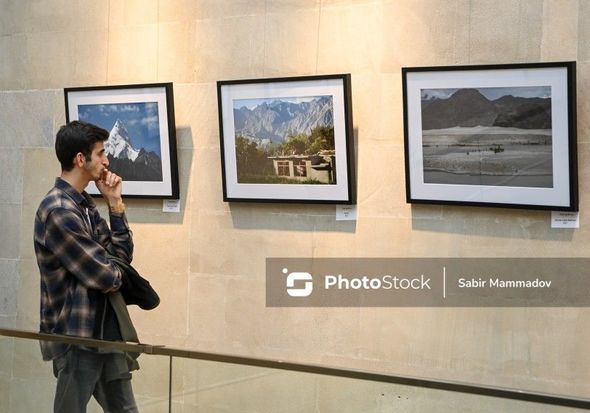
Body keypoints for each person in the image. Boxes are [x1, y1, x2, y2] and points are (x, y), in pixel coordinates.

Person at [34, 120, 139, 413]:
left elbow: (122, 256)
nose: (107, 160)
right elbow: (107, 275)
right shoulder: (58, 210)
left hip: (105, 331)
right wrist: (118, 272)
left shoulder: (85, 204)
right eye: (101, 152)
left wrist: (115, 205)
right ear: (81, 159)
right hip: (76, 336)